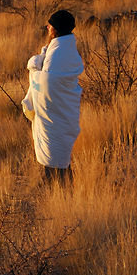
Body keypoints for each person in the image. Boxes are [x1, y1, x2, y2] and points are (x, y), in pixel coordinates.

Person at [21, 10, 84, 184]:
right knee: (57, 154)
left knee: (55, 153)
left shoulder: (59, 53)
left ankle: (58, 190)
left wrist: (34, 67)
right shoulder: (61, 49)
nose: (47, 27)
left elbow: (48, 83)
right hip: (60, 112)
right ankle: (60, 188)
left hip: (58, 114)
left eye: (50, 24)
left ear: (55, 28)